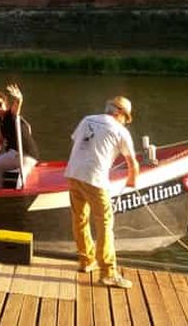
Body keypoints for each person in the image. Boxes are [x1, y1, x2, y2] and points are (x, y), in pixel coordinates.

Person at [65, 96, 140, 289]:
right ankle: (108, 272)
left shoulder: (87, 119)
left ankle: (86, 261)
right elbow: (132, 162)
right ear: (118, 113)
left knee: (80, 219)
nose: (126, 122)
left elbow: (78, 143)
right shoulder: (120, 131)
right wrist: (132, 180)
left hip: (73, 173)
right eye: (126, 117)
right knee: (105, 223)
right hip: (95, 179)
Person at [0, 84, 40, 188]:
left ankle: (19, 199)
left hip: (27, 155)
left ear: (5, 104)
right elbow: (0, 140)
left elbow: (18, 104)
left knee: (20, 183)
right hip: (14, 155)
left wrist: (19, 98)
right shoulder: (1, 120)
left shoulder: (11, 115)